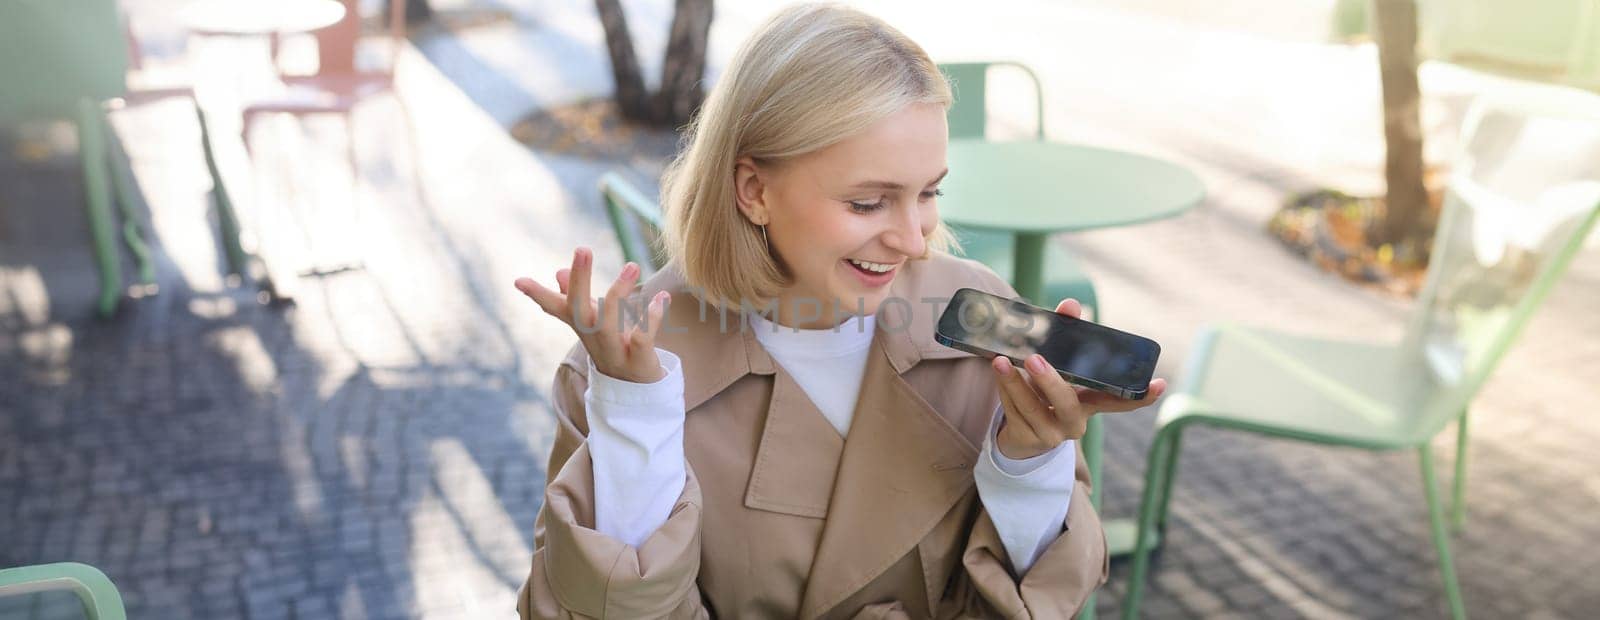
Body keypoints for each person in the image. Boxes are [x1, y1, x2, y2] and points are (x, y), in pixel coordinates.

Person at [512, 4, 1165, 617]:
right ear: (754, 190)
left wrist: (1028, 460)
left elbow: (1046, 600)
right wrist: (638, 424)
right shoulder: (624, 371)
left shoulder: (979, 326)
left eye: (928, 193)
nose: (914, 240)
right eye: (868, 203)